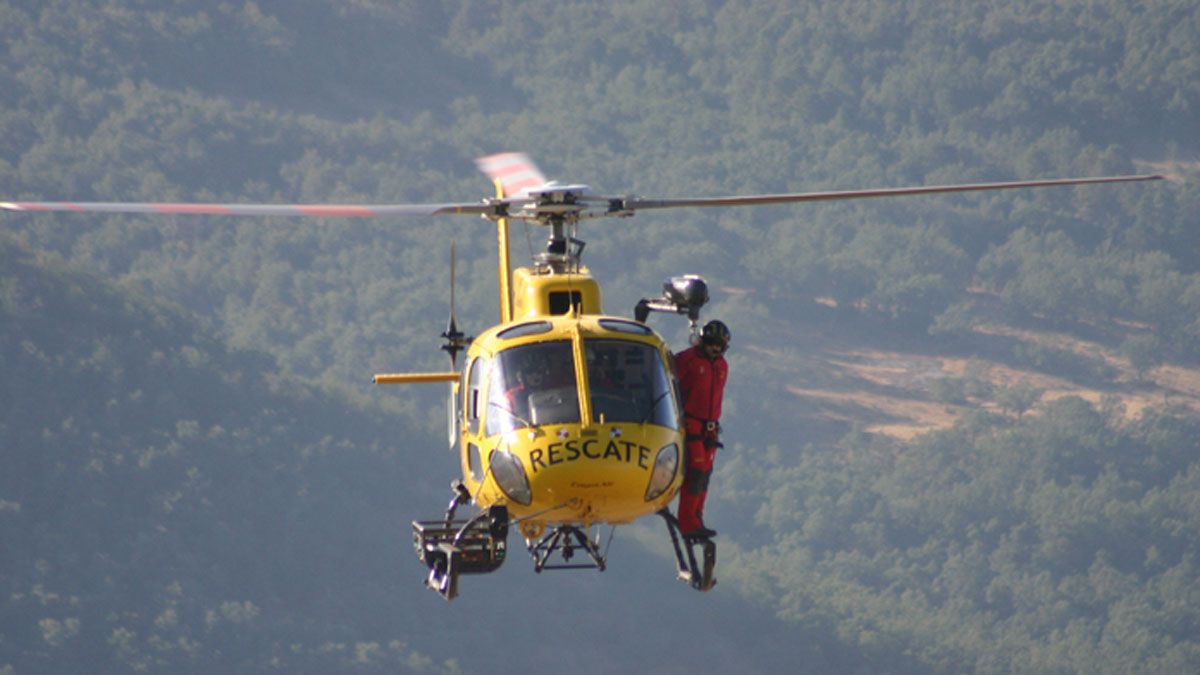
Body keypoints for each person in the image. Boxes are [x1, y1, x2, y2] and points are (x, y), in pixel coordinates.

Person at [673, 320, 730, 538]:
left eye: (719, 345)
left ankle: (697, 519)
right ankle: (687, 522)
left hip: (710, 428)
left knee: (705, 474)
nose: (715, 348)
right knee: (695, 472)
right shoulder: (687, 360)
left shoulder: (722, 366)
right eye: (712, 343)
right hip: (691, 423)